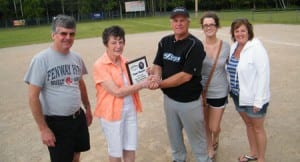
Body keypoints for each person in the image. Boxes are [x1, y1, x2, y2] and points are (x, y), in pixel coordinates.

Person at [24, 14, 93, 162]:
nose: (68, 37)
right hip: (57, 123)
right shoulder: (41, 60)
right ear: (53, 35)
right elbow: (32, 97)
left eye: (71, 34)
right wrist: (43, 129)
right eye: (63, 33)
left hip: (77, 117)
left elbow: (80, 84)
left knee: (76, 155)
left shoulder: (76, 58)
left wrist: (87, 107)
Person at [149, 7, 211, 162]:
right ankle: (179, 158)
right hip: (169, 100)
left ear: (188, 22)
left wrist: (160, 83)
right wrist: (156, 77)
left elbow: (185, 76)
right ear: (171, 23)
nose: (179, 23)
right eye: (175, 20)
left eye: (182, 20)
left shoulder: (194, 45)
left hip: (189, 102)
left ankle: (203, 159)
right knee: (174, 134)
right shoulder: (165, 41)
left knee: (197, 138)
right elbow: (158, 64)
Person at [93, 25, 150, 162]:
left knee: (130, 147)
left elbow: (135, 80)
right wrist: (143, 84)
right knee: (116, 152)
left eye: (121, 42)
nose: (118, 46)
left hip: (130, 109)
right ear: (106, 44)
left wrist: (146, 74)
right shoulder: (100, 65)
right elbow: (117, 92)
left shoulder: (126, 61)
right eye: (114, 42)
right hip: (111, 114)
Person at [226, 18, 270, 162]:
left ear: (249, 31)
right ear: (233, 33)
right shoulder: (234, 47)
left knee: (257, 128)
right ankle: (253, 153)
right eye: (236, 31)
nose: (239, 33)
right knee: (249, 124)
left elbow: (264, 75)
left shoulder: (257, 48)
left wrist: (259, 100)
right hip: (238, 95)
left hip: (254, 98)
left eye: (243, 30)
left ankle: (261, 159)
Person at [199, 11, 230, 159]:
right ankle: (210, 148)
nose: (209, 27)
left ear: (217, 26)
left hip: (219, 91)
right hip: (202, 92)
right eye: (206, 25)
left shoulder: (226, 47)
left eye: (212, 24)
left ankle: (216, 135)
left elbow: (235, 66)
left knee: (214, 126)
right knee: (205, 123)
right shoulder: (197, 46)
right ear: (202, 28)